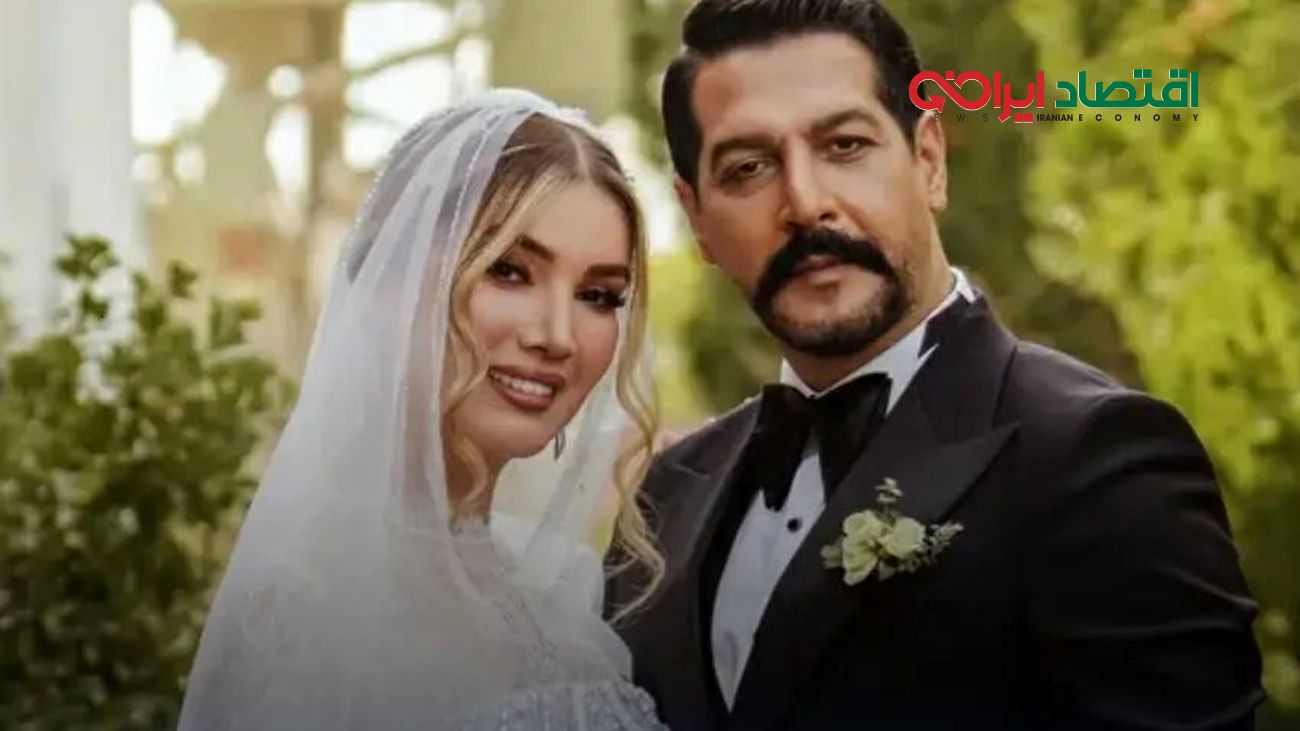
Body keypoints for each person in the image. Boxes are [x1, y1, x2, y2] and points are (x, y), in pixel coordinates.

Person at [606, 1, 1264, 729]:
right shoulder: (665, 497)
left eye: (845, 145)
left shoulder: (1097, 458)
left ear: (929, 161)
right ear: (696, 218)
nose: (806, 203)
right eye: (749, 168)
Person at [179, 89, 666, 730]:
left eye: (598, 295)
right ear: (393, 285)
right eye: (509, 271)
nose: (558, 335)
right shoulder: (308, 614)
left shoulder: (565, 594)